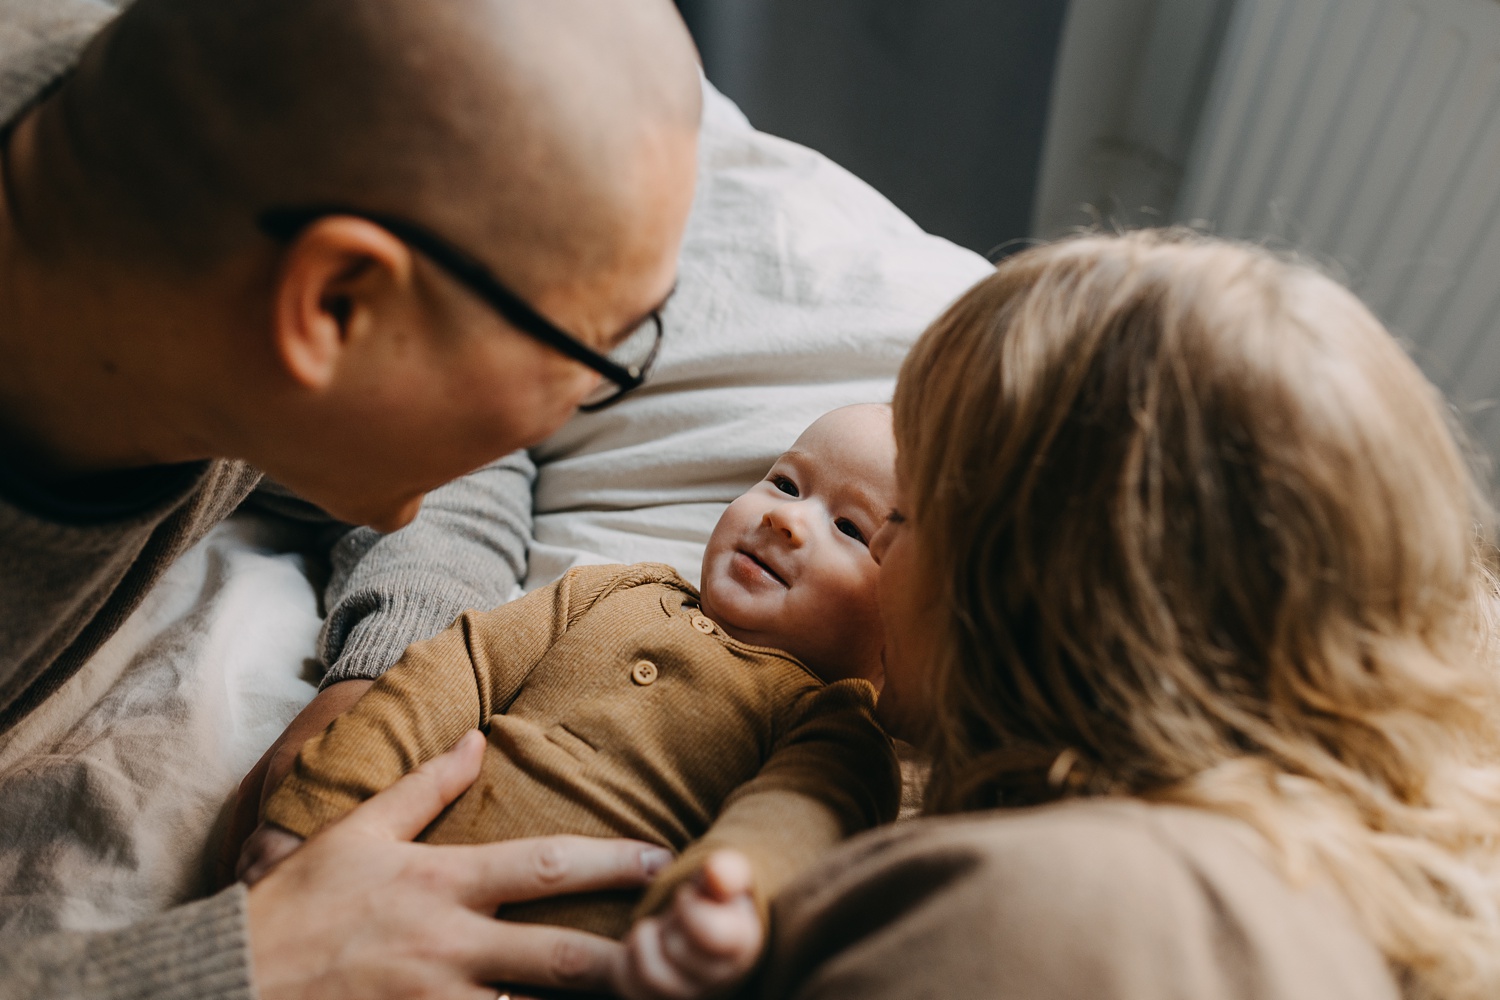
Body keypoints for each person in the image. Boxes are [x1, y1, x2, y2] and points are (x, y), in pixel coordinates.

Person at [0, 0, 704, 997]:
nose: (579, 405)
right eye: (597, 352)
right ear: (333, 304)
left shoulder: (177, 191)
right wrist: (243, 961)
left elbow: (459, 459)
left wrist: (383, 674)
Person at [753, 231, 1500, 999]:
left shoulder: (1059, 914)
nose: (879, 541)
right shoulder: (1343, 883)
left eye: (908, 513)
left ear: (1031, 588)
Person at [238, 405, 903, 1000]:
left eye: (850, 527)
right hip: (362, 916)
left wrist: (727, 897)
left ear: (903, 625)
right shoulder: (610, 592)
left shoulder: (832, 724)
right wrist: (323, 799)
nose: (786, 519)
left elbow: (797, 822)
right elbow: (458, 666)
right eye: (785, 484)